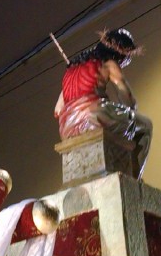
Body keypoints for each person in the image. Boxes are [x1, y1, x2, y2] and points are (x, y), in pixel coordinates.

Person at [54, 28, 152, 177]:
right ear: (120, 52)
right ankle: (134, 178)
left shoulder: (72, 68)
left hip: (66, 127)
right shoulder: (108, 63)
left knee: (118, 120)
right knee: (145, 126)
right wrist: (125, 113)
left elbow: (57, 110)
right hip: (94, 114)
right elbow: (129, 100)